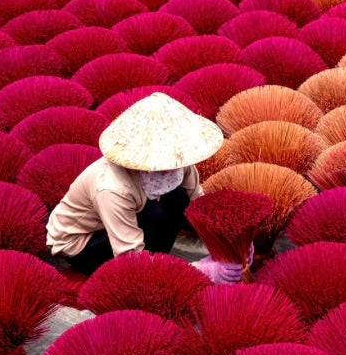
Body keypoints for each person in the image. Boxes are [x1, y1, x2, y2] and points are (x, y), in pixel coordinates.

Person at [45, 93, 244, 283]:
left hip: (128, 216)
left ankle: (158, 263)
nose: (171, 168)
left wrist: (229, 242)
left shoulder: (179, 159)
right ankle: (156, 272)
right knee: (154, 214)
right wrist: (196, 270)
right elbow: (129, 257)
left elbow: (198, 205)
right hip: (83, 241)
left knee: (178, 198)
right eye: (162, 164)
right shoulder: (112, 188)